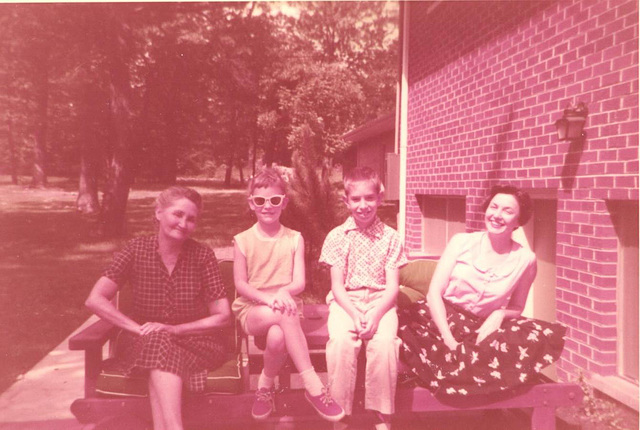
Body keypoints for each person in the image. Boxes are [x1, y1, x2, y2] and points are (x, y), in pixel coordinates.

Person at [85, 186, 232, 430]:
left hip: (197, 343)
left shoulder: (202, 255)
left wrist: (174, 330)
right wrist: (138, 328)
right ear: (158, 213)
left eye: (191, 219)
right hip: (141, 341)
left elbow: (223, 316)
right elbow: (95, 299)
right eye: (178, 214)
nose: (183, 223)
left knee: (161, 342)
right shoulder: (136, 249)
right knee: (158, 341)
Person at [398, 185, 566, 397]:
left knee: (536, 336)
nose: (497, 215)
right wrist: (448, 338)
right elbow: (433, 293)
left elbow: (517, 306)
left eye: (507, 211)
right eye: (493, 207)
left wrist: (499, 314)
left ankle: (461, 374)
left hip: (480, 325)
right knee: (411, 332)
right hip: (440, 317)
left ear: (518, 220)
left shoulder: (526, 260)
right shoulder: (462, 242)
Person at [232, 168, 345, 422]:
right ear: (252, 203)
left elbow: (299, 282)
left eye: (274, 200)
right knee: (282, 312)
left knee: (276, 338)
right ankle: (314, 387)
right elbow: (241, 284)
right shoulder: (242, 240)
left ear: (284, 202)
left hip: (286, 312)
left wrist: (283, 291)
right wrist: (269, 299)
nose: (267, 206)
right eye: (260, 201)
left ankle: (263, 388)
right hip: (254, 310)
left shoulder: (294, 238)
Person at [319, 166, 408, 430]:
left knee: (385, 344)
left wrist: (377, 314)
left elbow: (393, 287)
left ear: (379, 198)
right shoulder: (337, 237)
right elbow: (337, 287)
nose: (363, 205)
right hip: (347, 302)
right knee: (341, 342)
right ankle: (340, 414)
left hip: (382, 302)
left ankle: (382, 416)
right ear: (346, 201)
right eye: (356, 199)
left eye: (369, 198)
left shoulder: (391, 237)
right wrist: (357, 315)